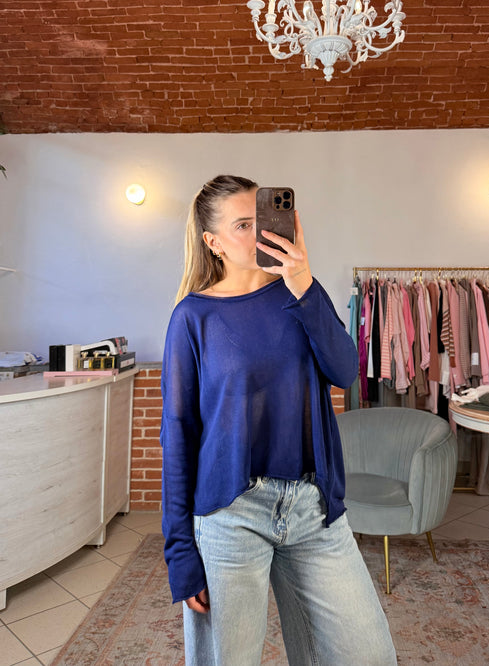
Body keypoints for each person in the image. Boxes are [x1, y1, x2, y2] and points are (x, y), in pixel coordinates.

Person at [160, 175, 397, 666]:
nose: (261, 232)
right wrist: (180, 551)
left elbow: (345, 371)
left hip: (313, 508)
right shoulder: (192, 317)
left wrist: (303, 281)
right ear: (213, 242)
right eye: (243, 225)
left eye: (265, 218)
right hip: (230, 513)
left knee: (368, 654)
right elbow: (178, 434)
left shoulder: (301, 293)